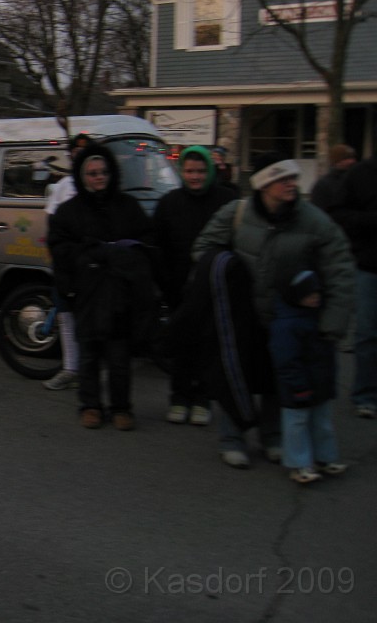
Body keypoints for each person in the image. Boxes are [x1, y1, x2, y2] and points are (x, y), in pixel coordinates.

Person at [193, 152, 355, 468]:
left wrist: (333, 322)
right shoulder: (237, 213)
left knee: (275, 379)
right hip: (242, 315)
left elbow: (340, 269)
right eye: (282, 179)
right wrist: (226, 271)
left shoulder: (314, 221)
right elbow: (203, 249)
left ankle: (272, 437)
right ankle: (232, 438)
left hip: (288, 319)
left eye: (292, 177)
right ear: (264, 184)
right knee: (235, 376)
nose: (290, 184)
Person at [48, 143, 156, 430]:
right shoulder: (68, 211)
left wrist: (126, 259)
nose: (99, 177)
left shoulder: (128, 207)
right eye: (92, 173)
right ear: (82, 177)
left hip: (120, 292)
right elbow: (58, 249)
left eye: (103, 172)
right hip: (87, 291)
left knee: (120, 356)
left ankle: (122, 407)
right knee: (89, 354)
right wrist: (73, 278)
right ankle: (90, 405)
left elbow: (147, 243)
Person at [152, 145, 237, 425]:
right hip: (178, 287)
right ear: (182, 172)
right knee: (181, 344)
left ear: (210, 171)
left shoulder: (226, 200)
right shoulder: (169, 202)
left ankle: (203, 399)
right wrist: (164, 282)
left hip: (214, 285)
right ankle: (179, 398)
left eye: (201, 171)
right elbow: (158, 245)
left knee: (207, 346)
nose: (196, 176)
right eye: (190, 171)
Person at [271, 270, 348, 484]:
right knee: (297, 425)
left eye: (316, 293)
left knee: (321, 423)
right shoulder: (287, 325)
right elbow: (286, 360)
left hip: (318, 383)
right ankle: (299, 464)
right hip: (298, 387)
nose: (315, 298)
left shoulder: (314, 317)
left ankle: (325, 458)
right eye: (309, 294)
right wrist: (297, 386)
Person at [330, 146, 377, 419]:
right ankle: (365, 394)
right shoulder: (360, 174)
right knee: (368, 334)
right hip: (369, 265)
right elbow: (339, 214)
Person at [41, 133, 91, 390]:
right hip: (66, 264)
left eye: (85, 150)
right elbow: (51, 224)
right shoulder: (62, 186)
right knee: (66, 316)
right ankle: (70, 367)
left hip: (92, 265)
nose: (80, 155)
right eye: (76, 151)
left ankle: (90, 371)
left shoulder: (98, 183)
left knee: (91, 317)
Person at [311, 143, 356, 213]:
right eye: (346, 158)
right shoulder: (323, 185)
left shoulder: (355, 180)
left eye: (352, 158)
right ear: (337, 161)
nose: (351, 161)